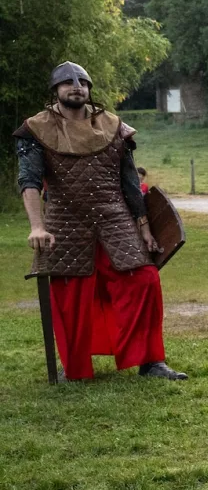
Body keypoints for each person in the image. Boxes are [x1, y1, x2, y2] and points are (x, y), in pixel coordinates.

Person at [15, 62, 185, 381]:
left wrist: (144, 225)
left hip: (115, 217)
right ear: (56, 90)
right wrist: (36, 226)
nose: (76, 85)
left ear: (90, 89)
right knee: (71, 296)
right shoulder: (37, 128)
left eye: (82, 81)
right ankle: (76, 369)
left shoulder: (113, 126)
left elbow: (130, 183)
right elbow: (29, 180)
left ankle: (151, 362)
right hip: (65, 220)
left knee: (144, 280)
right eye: (67, 82)